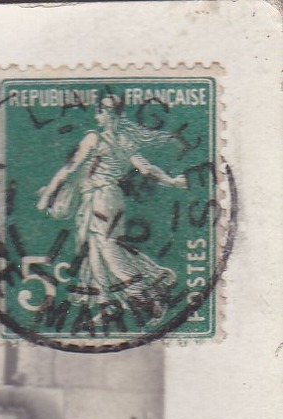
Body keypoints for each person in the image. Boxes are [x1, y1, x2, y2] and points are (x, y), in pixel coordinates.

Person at [36, 95, 190, 322]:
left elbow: (70, 168)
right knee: (94, 249)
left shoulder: (93, 138)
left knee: (109, 251)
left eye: (104, 110)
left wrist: (48, 194)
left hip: (100, 198)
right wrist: (172, 181)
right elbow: (147, 169)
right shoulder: (125, 141)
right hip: (110, 198)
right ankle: (106, 304)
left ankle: (147, 296)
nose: (102, 115)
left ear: (103, 114)